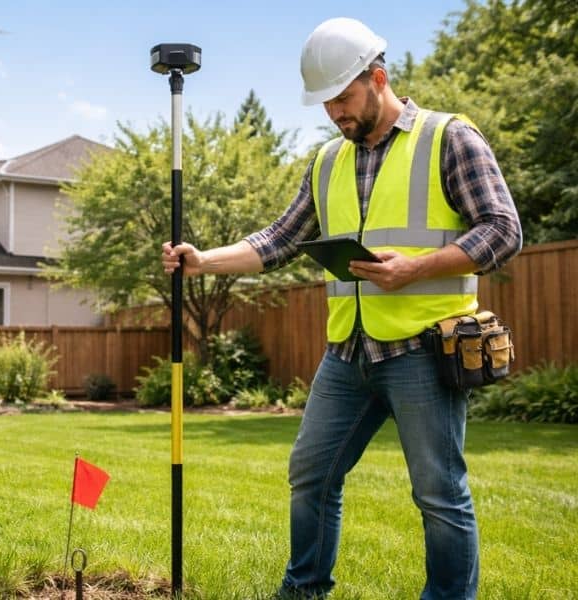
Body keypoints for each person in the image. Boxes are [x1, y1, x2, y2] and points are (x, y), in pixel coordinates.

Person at [161, 17, 522, 600]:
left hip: (424, 352)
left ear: (377, 78)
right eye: (325, 103)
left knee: (438, 492)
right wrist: (203, 260)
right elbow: (279, 239)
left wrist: (416, 266)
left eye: (343, 98)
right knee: (311, 475)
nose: (334, 113)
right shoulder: (328, 161)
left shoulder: (449, 138)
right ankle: (303, 591)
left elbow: (504, 231)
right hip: (348, 353)